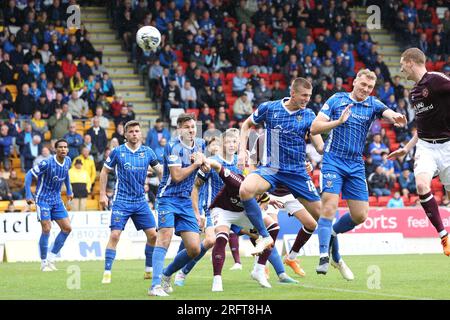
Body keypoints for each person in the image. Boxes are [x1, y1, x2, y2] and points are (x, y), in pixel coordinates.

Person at [310, 68, 407, 276]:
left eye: (370, 87)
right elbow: (315, 127)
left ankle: (333, 234)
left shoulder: (372, 104)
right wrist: (338, 122)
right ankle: (323, 257)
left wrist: (396, 116)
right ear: (354, 82)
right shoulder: (337, 99)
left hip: (355, 164)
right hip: (333, 160)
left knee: (361, 215)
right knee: (329, 205)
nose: (365, 89)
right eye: (363, 85)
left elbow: (387, 113)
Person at [238, 78, 324, 257]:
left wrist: (337, 125)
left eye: (309, 96)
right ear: (292, 93)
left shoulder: (309, 115)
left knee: (321, 219)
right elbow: (246, 125)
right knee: (245, 190)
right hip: (272, 171)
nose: (307, 99)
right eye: (304, 95)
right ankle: (264, 236)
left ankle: (326, 258)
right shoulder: (269, 108)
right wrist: (242, 151)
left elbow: (320, 147)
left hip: (297, 174)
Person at [388, 48, 450, 256]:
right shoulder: (415, 92)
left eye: (402, 63)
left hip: (447, 145)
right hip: (425, 146)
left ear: (411, 62)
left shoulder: (437, 80)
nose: (401, 68)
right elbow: (421, 129)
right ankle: (443, 235)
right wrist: (406, 148)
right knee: (422, 185)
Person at [173, 129, 241, 286]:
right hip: (212, 209)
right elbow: (195, 188)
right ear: (222, 144)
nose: (231, 145)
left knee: (262, 231)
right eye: (228, 142)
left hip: (234, 210)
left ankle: (267, 270)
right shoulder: (210, 163)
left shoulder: (240, 162)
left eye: (234, 141)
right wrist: (197, 212)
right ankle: (182, 272)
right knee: (210, 240)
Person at [149, 113, 206, 297]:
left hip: (185, 201)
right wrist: (197, 164)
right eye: (187, 127)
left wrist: (203, 164)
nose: (191, 130)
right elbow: (177, 176)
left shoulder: (200, 144)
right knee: (164, 238)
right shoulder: (172, 147)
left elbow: (202, 168)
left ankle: (166, 274)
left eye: (193, 127)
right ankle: (155, 286)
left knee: (195, 248)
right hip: (168, 198)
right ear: (179, 129)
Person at [99, 120, 163, 284]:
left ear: (140, 133)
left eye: (137, 131)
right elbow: (104, 172)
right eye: (131, 131)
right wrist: (102, 195)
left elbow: (160, 171)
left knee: (154, 236)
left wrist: (164, 189)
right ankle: (107, 272)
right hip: (121, 200)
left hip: (141, 201)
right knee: (115, 235)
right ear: (125, 134)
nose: (134, 134)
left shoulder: (148, 152)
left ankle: (148, 269)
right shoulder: (117, 152)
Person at [24, 139, 74, 272]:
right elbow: (29, 175)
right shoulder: (47, 163)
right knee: (46, 228)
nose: (63, 149)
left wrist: (69, 190)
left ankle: (51, 258)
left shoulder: (68, 161)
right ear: (55, 150)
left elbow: (66, 174)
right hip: (43, 199)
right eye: (60, 147)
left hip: (56, 200)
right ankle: (44, 262)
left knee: (67, 228)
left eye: (65, 147)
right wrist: (28, 194)